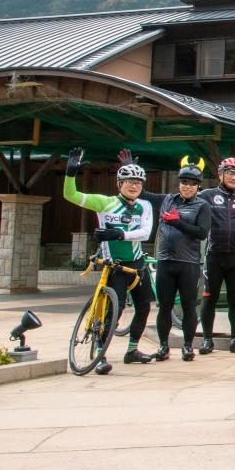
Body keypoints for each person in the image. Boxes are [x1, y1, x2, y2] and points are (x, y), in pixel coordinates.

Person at [61, 147, 156, 375]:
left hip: (137, 265)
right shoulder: (104, 203)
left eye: (138, 183)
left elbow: (145, 232)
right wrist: (70, 174)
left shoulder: (145, 206)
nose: (134, 186)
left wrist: (119, 234)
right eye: (129, 181)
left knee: (143, 308)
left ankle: (132, 350)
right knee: (114, 311)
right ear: (119, 183)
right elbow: (70, 196)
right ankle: (100, 354)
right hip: (114, 266)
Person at [151, 158, 212, 361]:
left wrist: (177, 222)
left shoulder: (202, 206)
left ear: (198, 186)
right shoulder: (168, 200)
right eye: (184, 182)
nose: (188, 186)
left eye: (192, 183)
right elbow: (141, 194)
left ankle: (187, 345)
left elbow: (202, 233)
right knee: (165, 306)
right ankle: (163, 346)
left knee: (188, 305)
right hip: (166, 261)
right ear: (179, 183)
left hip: (188, 264)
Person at [195, 157, 235, 355]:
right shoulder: (207, 195)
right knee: (209, 299)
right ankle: (207, 340)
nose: (233, 177)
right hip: (214, 255)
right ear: (220, 174)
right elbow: (189, 201)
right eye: (229, 173)